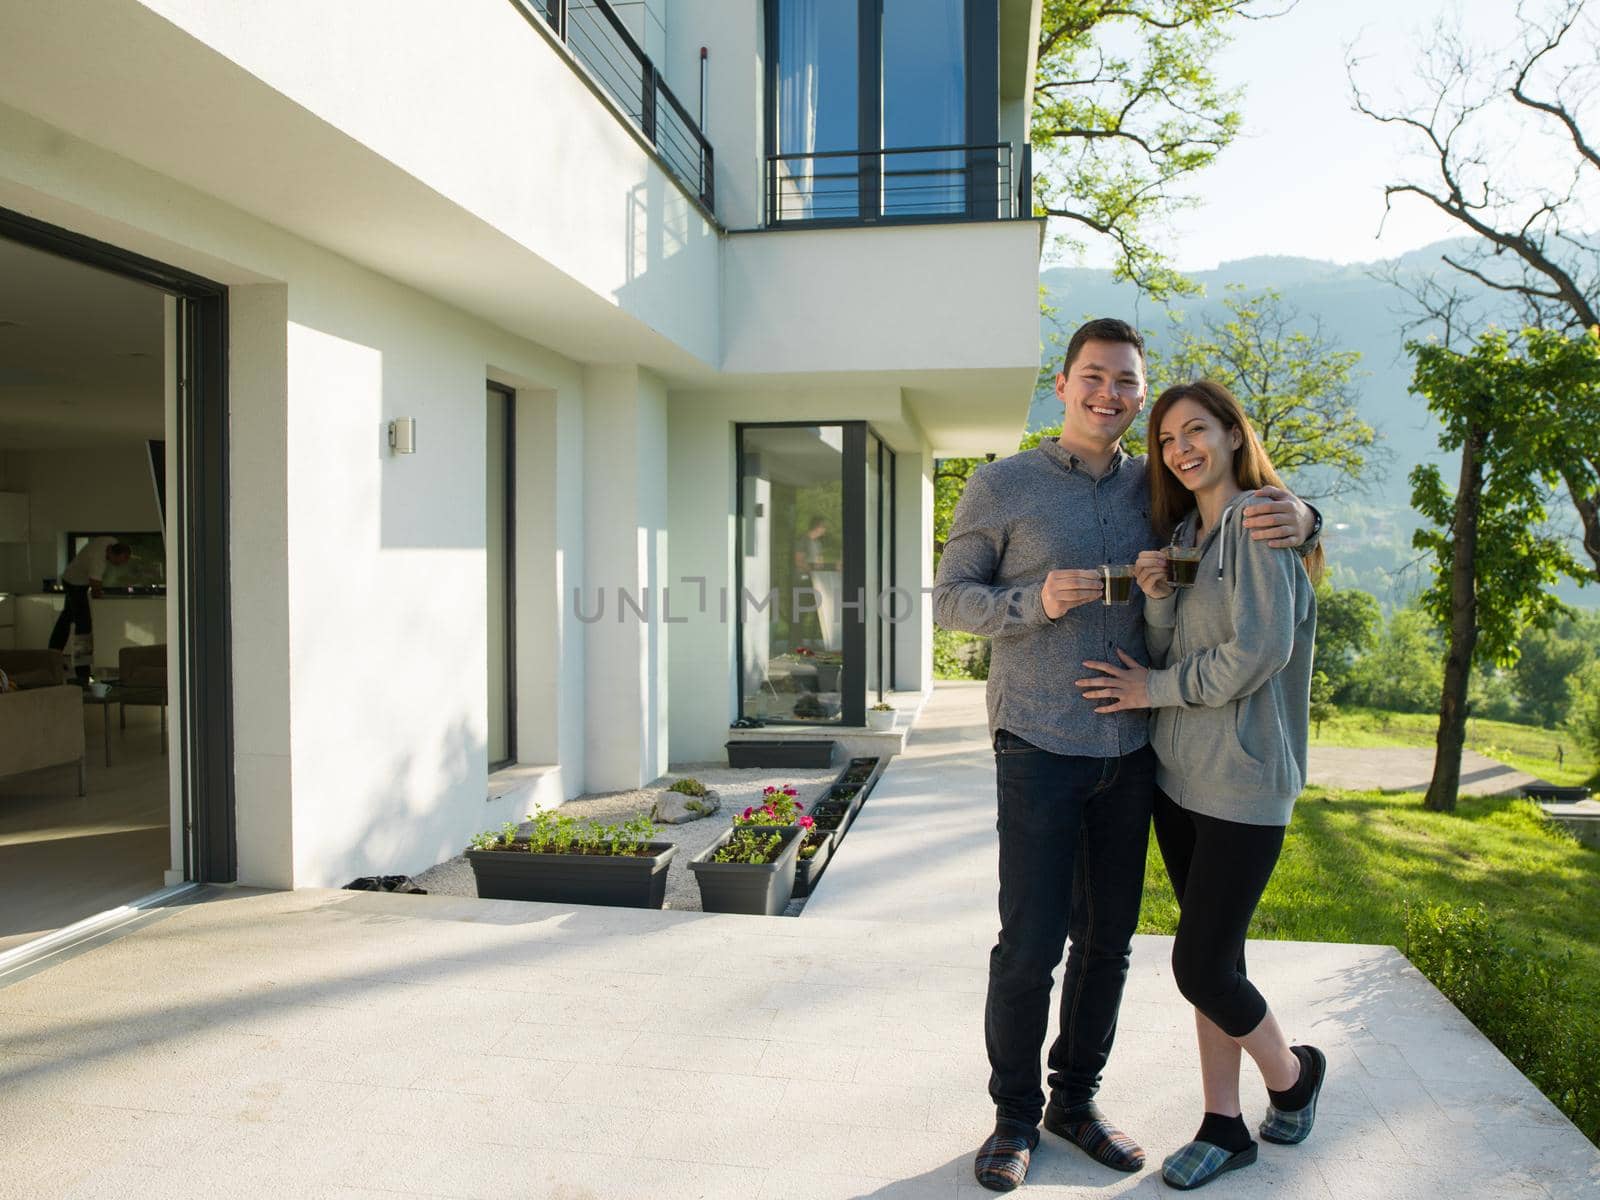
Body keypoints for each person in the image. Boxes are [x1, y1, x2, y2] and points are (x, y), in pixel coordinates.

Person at [933, 319, 1320, 1193]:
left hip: (1140, 753)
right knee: (1029, 945)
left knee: (1108, 944)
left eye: (1127, 383)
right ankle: (1013, 1118)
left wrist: (1305, 511)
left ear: (1141, 397)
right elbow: (950, 602)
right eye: (1094, 377)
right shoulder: (1002, 485)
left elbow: (1244, 515)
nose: (1110, 394)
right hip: (1040, 742)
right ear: (1063, 384)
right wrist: (1034, 599)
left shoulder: (1163, 482)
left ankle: (1076, 1101)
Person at [1075, 379, 1326, 1190]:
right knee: (1219, 953)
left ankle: (1291, 1076)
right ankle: (1225, 1122)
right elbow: (1173, 641)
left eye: (1196, 431)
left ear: (1230, 433)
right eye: (1167, 440)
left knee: (1201, 966)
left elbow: (1258, 653)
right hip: (1181, 780)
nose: (1181, 449)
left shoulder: (1261, 520)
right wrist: (1154, 599)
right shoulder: (1188, 529)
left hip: (1245, 782)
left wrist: (1152, 692)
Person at [48, 536, 131, 682]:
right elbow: (96, 589)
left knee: (66, 619)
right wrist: (103, 602)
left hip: (75, 580)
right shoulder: (97, 560)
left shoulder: (111, 541)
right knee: (83, 625)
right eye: (118, 562)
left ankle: (52, 658)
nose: (118, 565)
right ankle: (82, 671)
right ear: (112, 554)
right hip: (74, 583)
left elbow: (95, 586)